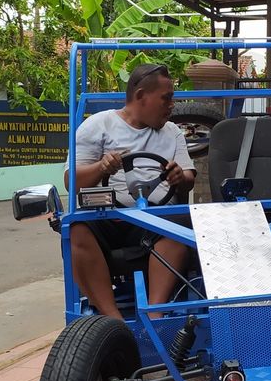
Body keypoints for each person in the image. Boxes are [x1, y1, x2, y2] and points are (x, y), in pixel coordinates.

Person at [64, 64, 196, 320]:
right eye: (166, 98)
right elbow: (72, 181)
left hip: (156, 219)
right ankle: (114, 319)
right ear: (140, 96)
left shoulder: (172, 132)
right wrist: (101, 167)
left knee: (179, 225)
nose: (172, 105)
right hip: (110, 215)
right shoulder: (99, 125)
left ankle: (154, 315)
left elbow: (189, 177)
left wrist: (181, 176)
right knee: (76, 225)